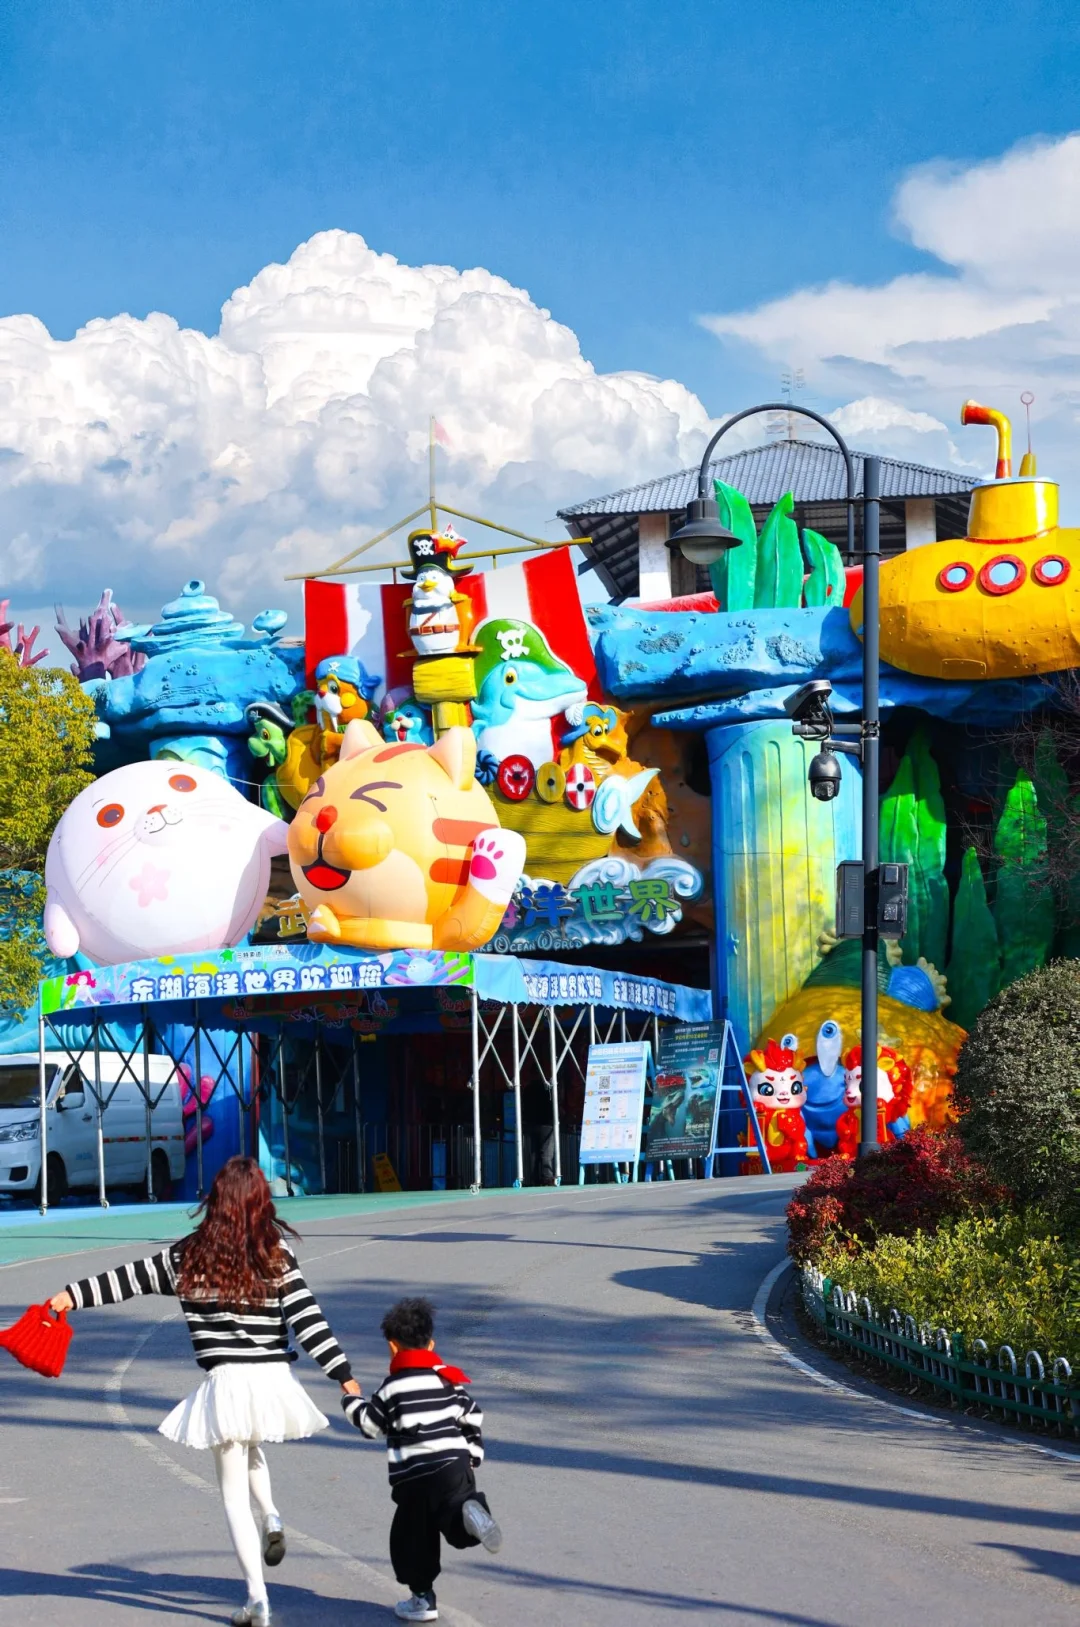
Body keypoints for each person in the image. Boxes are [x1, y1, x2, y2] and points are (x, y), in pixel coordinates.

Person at [48, 1156, 360, 1627]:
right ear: (260, 1201)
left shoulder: (187, 1256)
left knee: (233, 1493)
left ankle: (257, 1599)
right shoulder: (275, 1253)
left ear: (215, 1201)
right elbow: (307, 1319)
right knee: (251, 1444)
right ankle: (272, 1517)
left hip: (228, 1383)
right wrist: (343, 1375)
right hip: (273, 1378)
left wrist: (72, 1294)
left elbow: (127, 1279)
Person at [342, 1296, 501, 1623]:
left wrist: (351, 1401)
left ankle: (423, 1600)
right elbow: (472, 1416)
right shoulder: (447, 1380)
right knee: (454, 1518)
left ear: (392, 1347)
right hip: (455, 1467)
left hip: (415, 1478)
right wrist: (473, 1454)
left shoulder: (391, 1388)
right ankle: (472, 1518)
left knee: (412, 1540)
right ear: (431, 1344)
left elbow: (371, 1426)